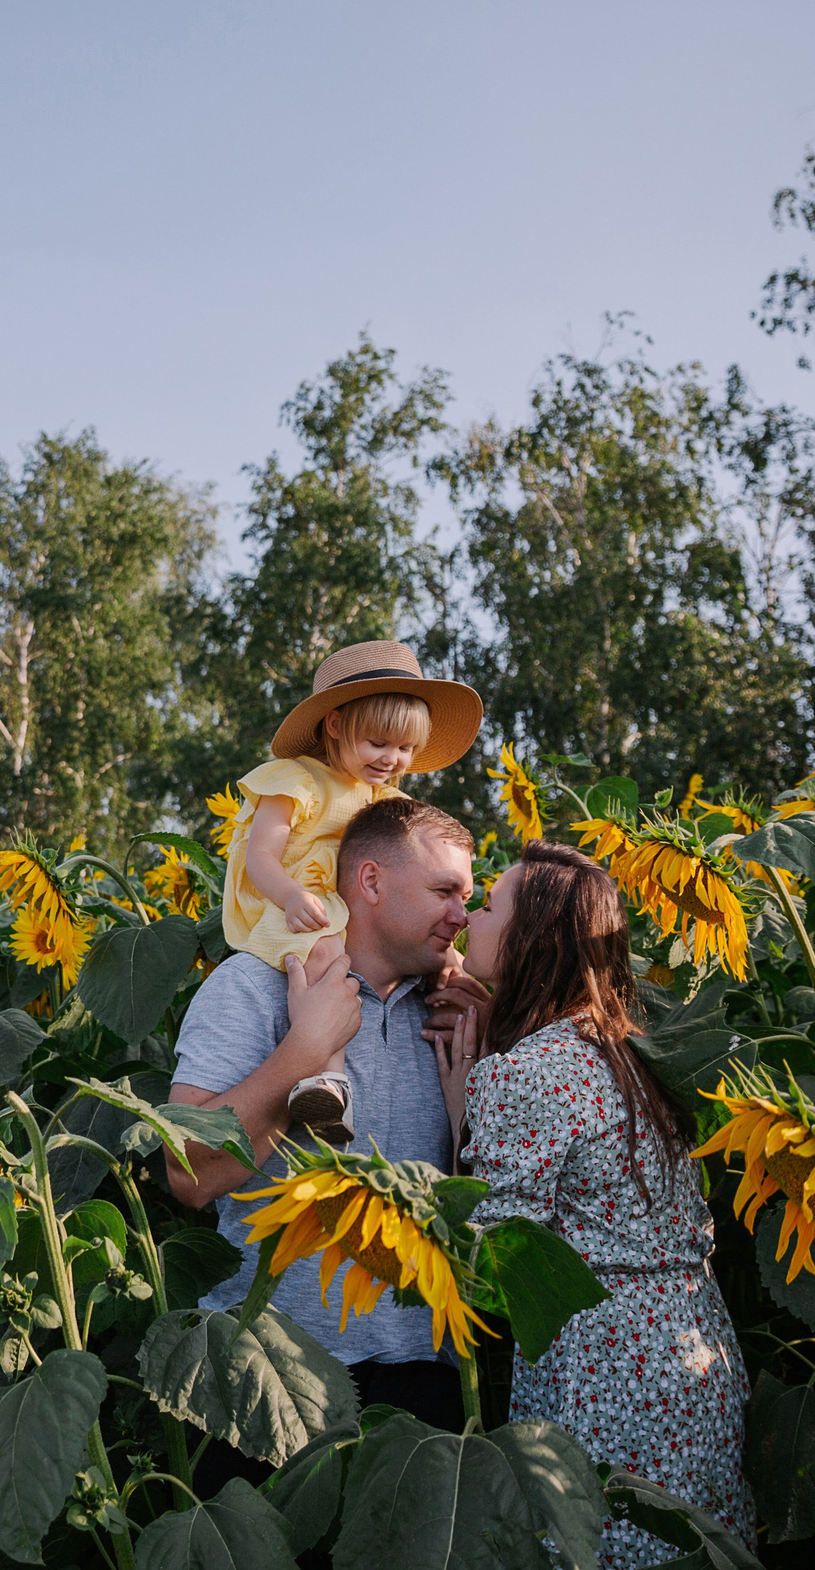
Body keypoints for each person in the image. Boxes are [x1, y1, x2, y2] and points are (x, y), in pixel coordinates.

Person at [430, 840, 756, 1567]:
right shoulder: (624, 1046)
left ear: (530, 939)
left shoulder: (526, 1071)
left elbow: (496, 1257)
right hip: (691, 1344)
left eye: (486, 906)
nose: (467, 921)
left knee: (600, 1543)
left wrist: (463, 1115)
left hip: (608, 1365)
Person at [167, 795, 484, 1461]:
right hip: (271, 1366)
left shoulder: (453, 1010)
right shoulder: (252, 986)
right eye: (444, 890)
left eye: (469, 896)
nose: (461, 914)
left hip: (420, 1367)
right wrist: (303, 1052)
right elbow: (189, 1175)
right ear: (369, 881)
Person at [218, 641, 482, 1144]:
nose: (392, 759)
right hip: (290, 901)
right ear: (336, 726)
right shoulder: (295, 781)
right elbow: (260, 858)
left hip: (344, 907)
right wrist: (293, 897)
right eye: (379, 743)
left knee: (448, 963)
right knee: (327, 957)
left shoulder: (389, 798)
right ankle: (328, 1079)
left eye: (405, 749)